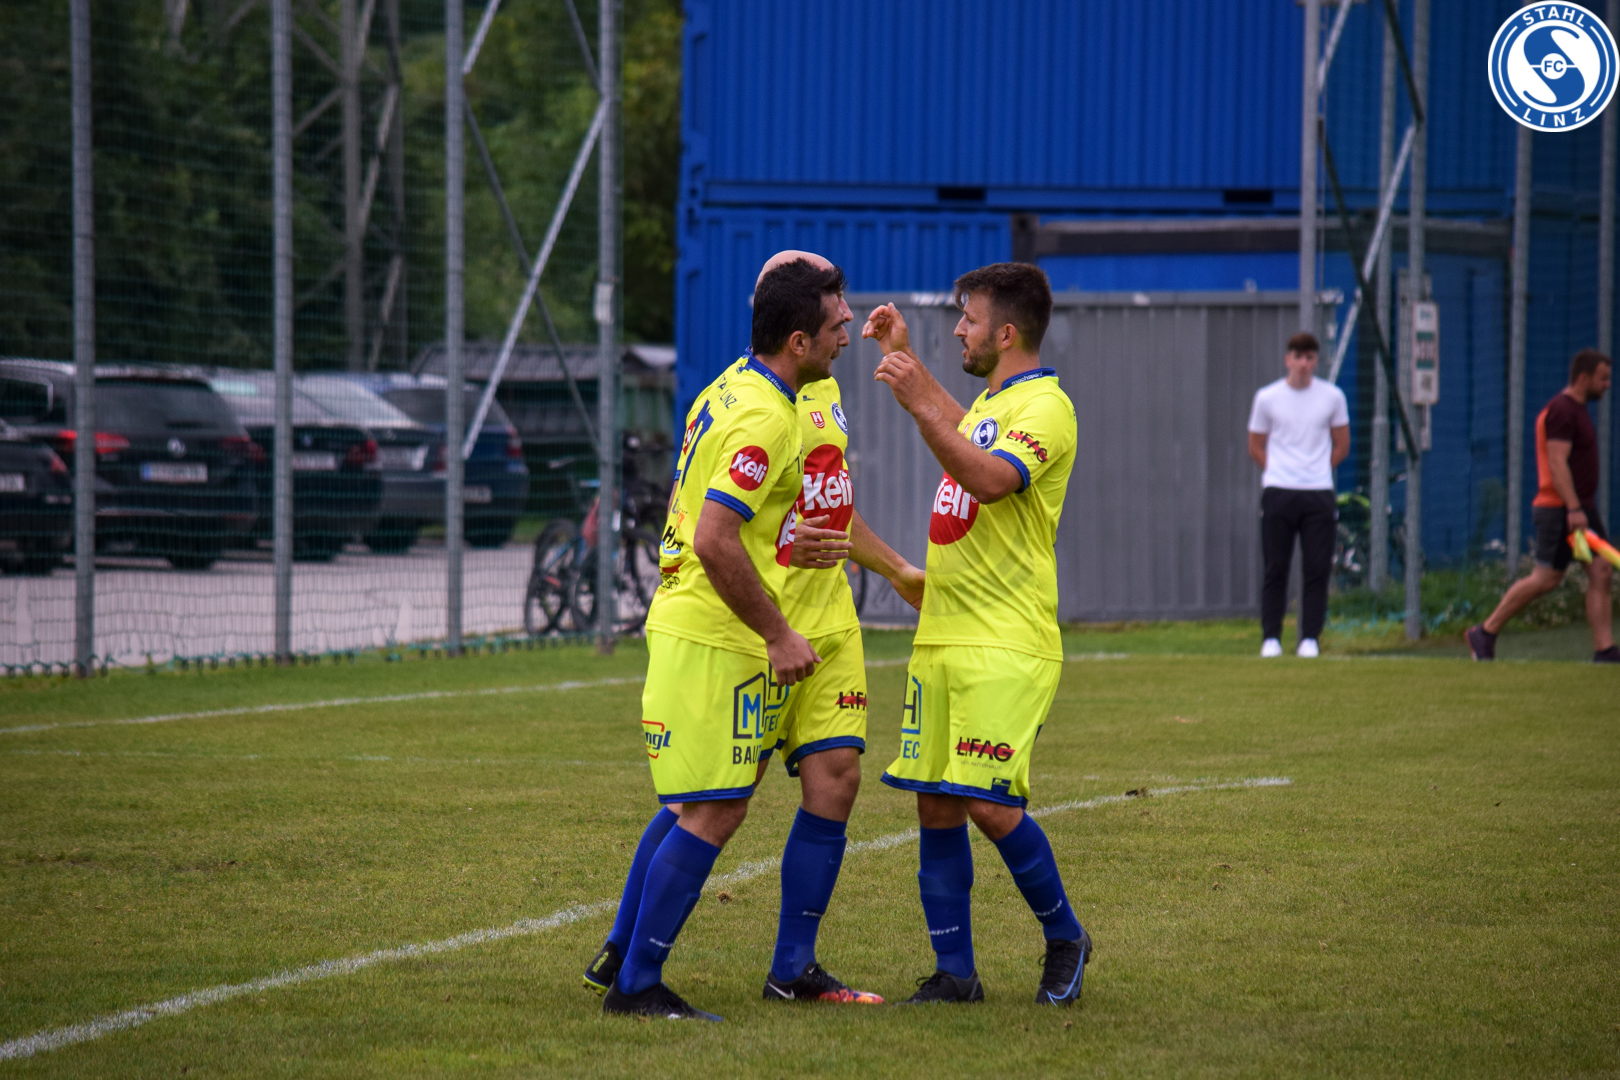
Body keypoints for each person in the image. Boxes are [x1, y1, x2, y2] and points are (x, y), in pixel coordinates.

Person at [584, 257, 834, 1022]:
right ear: (798, 341)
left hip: (690, 618)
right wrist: (779, 634)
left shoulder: (730, 384)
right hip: (714, 632)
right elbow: (716, 537)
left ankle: (621, 954)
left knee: (694, 802)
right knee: (716, 809)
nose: (847, 331)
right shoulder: (767, 417)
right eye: (835, 323)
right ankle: (637, 986)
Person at [862, 262, 1091, 1006]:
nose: (959, 328)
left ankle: (1066, 937)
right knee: (936, 802)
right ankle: (955, 973)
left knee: (990, 804)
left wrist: (917, 401)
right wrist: (907, 360)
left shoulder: (1047, 407)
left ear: (1008, 333)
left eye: (970, 318)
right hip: (943, 635)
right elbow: (964, 431)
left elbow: (989, 478)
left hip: (1006, 640)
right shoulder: (994, 402)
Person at [753, 251, 926, 1004]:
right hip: (760, 625)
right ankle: (628, 950)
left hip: (831, 623)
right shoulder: (751, 400)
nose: (847, 316)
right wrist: (784, 542)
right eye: (834, 305)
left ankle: (793, 969)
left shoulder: (822, 392)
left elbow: (830, 511)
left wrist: (897, 570)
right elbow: (711, 522)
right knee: (716, 801)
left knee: (838, 779)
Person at [1468, 350, 1616, 663]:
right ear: (1583, 378)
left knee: (1601, 570)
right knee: (1545, 579)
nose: (1607, 385)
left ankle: (1605, 650)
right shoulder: (1561, 410)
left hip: (1580, 507)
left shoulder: (1577, 410)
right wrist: (1573, 509)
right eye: (1603, 378)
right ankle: (1485, 632)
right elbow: (1557, 462)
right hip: (1561, 509)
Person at [1246, 332, 1350, 659]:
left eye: (1309, 357)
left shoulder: (1332, 397)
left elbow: (1342, 444)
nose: (1303, 363)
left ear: (1316, 361)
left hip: (1318, 493)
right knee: (1276, 567)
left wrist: (1317, 470)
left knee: (1317, 568)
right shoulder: (1267, 398)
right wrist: (1279, 470)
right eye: (1298, 357)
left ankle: (1310, 639)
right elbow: (1255, 445)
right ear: (1287, 359)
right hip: (1279, 492)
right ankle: (1271, 638)